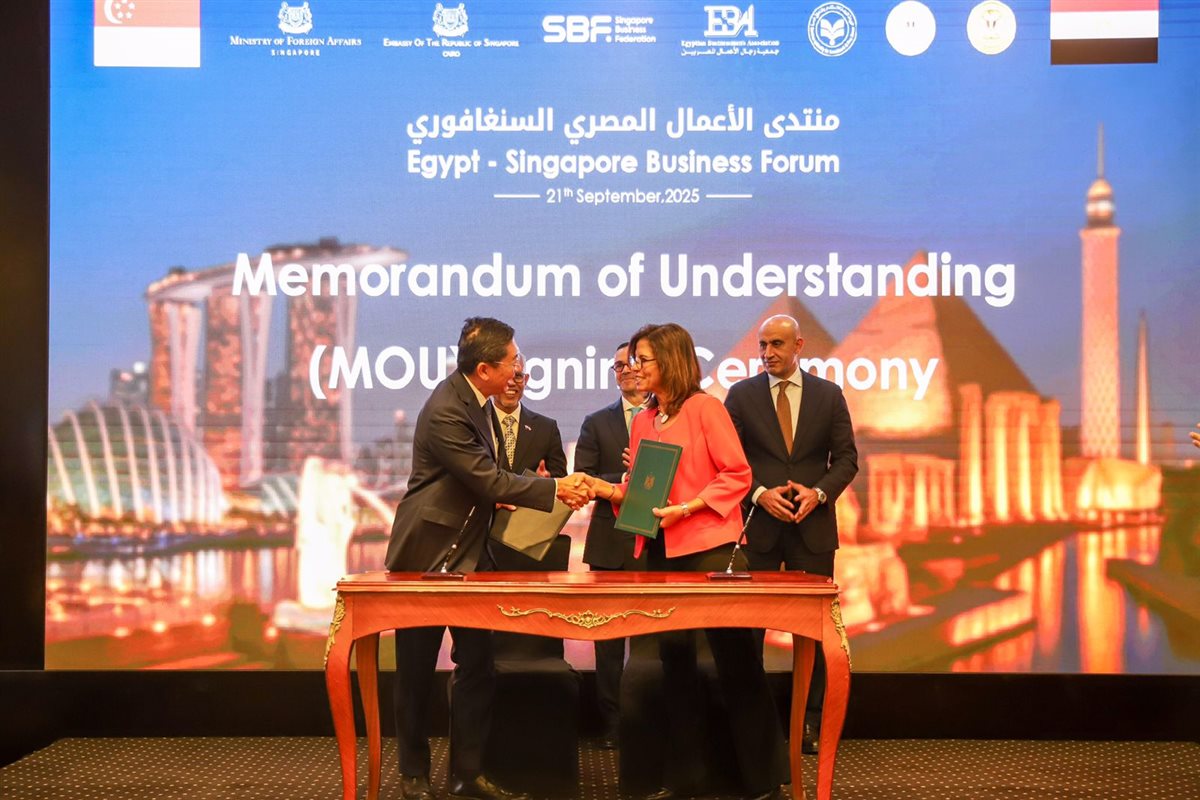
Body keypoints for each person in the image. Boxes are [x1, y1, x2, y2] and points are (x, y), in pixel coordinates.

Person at [384, 317, 591, 800]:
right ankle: (413, 774)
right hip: (428, 556)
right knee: (415, 672)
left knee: (478, 666)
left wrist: (538, 488)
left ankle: (467, 775)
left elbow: (492, 479)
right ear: (484, 370)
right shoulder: (446, 409)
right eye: (512, 361)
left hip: (472, 557)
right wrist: (557, 489)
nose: (519, 368)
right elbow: (488, 480)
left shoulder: (477, 402)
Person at [586, 323, 788, 800]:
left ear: (671, 361)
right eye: (632, 361)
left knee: (737, 665)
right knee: (674, 667)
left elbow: (737, 475)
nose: (635, 368)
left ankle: (761, 782)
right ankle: (686, 778)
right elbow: (642, 492)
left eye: (643, 360)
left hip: (709, 551)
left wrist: (688, 508)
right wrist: (603, 489)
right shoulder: (643, 420)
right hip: (661, 554)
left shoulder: (706, 408)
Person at [723, 314, 858, 755]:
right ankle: (754, 727)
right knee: (749, 634)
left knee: (815, 635)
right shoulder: (741, 396)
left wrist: (818, 493)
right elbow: (729, 462)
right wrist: (759, 494)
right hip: (759, 530)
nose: (767, 353)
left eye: (777, 344)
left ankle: (810, 723)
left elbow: (847, 460)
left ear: (799, 345)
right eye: (762, 345)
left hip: (811, 530)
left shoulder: (828, 395)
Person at [574, 342, 647, 749]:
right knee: (608, 644)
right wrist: (623, 480)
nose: (626, 370)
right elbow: (582, 479)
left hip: (657, 544)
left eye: (633, 362)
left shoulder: (668, 417)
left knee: (653, 642)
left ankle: (648, 721)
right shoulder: (596, 422)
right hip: (609, 544)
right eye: (618, 366)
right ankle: (613, 724)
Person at [491, 358, 568, 479]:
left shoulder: (546, 429)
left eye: (517, 376)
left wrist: (547, 482)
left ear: (526, 380)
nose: (511, 383)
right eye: (504, 376)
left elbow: (561, 480)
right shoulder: (476, 424)